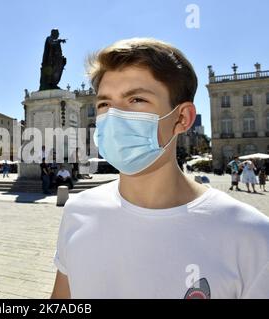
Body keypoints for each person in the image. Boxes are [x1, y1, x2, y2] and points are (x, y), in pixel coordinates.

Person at [51, 38, 269, 299]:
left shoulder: (251, 236)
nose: (114, 117)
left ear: (182, 118)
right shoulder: (78, 211)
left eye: (136, 100)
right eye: (104, 104)